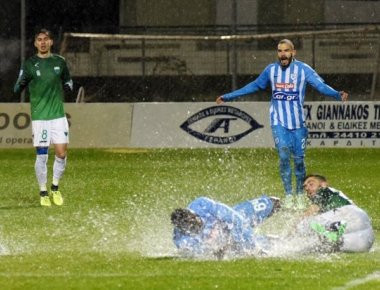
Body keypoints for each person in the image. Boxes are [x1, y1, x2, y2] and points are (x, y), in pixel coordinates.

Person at [216, 39, 348, 209]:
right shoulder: (271, 70)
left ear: (293, 52)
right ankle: (288, 194)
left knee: (299, 161)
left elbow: (320, 86)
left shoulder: (303, 70)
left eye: (286, 51)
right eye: (279, 51)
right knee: (284, 155)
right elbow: (254, 86)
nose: (283, 54)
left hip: (298, 123)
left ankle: (300, 194)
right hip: (278, 121)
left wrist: (337, 95)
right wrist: (228, 96)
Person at [14, 28, 73, 207]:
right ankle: (43, 192)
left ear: (51, 42)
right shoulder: (30, 64)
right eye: (39, 39)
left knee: (61, 154)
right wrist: (21, 82)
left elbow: (68, 80)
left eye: (46, 39)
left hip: (58, 116)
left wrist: (69, 87)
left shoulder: (60, 62)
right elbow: (17, 88)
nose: (43, 42)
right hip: (40, 117)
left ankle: (55, 188)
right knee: (42, 156)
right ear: (35, 43)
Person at [171, 195, 280, 258]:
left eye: (195, 221)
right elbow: (210, 253)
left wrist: (253, 245)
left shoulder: (201, 204)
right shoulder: (182, 240)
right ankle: (283, 240)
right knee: (246, 246)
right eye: (190, 227)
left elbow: (233, 218)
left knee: (272, 202)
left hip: (233, 220)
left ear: (194, 214)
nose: (195, 226)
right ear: (182, 229)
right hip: (226, 244)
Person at [301, 174, 374, 252]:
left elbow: (311, 212)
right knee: (324, 243)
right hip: (365, 240)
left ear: (323, 184)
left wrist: (291, 227)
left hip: (349, 215)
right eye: (305, 187)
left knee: (304, 225)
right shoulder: (336, 196)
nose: (307, 188)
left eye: (311, 184)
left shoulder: (324, 190)